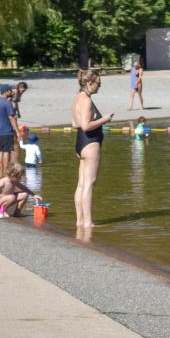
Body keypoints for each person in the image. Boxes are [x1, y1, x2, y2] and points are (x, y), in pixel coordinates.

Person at [72, 69, 114, 228]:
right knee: (89, 183)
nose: (99, 87)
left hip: (80, 142)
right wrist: (104, 119)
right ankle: (88, 222)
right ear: (90, 83)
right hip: (90, 143)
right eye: (98, 84)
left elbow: (75, 124)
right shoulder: (87, 101)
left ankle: (79, 221)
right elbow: (85, 125)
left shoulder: (77, 98)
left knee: (81, 183)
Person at [0, 85, 21, 176]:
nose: (11, 92)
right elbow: (11, 118)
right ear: (6, 92)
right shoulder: (7, 103)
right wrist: (18, 132)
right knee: (7, 151)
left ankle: (0, 171)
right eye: (10, 91)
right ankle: (6, 171)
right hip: (6, 130)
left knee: (0, 150)